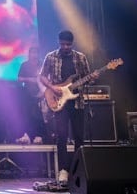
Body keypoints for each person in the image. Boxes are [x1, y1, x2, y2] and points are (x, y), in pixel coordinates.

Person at [39, 30, 95, 184]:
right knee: (62, 135)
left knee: (79, 137)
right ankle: (63, 170)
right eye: (63, 44)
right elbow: (42, 76)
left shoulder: (80, 57)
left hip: (77, 101)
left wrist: (92, 78)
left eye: (68, 45)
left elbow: (88, 78)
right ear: (58, 42)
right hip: (59, 102)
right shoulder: (51, 57)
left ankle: (78, 169)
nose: (65, 47)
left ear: (72, 43)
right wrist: (52, 87)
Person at [16, 46, 47, 144]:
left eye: (36, 53)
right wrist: (30, 79)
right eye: (32, 53)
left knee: (39, 116)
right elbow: (19, 79)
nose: (34, 55)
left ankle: (39, 136)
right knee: (27, 115)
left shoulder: (42, 65)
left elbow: (48, 78)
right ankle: (27, 135)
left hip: (41, 94)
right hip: (27, 95)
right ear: (29, 54)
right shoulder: (24, 65)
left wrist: (42, 92)